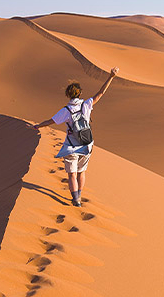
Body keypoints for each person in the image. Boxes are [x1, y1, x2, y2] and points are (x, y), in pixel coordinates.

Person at [34, 67, 119, 206]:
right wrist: (111, 77)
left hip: (71, 146)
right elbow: (101, 93)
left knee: (72, 174)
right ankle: (79, 195)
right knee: (81, 172)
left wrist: (37, 126)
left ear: (68, 95)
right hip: (87, 144)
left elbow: (51, 121)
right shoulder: (86, 104)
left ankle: (76, 200)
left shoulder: (66, 110)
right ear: (80, 93)